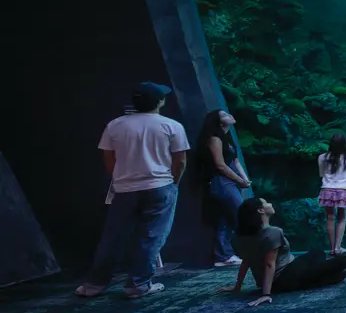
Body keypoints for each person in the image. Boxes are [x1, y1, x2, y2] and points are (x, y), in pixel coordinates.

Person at [75, 82, 190, 300]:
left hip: (125, 188)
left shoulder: (115, 125)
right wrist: (173, 182)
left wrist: (120, 179)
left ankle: (94, 285)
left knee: (113, 237)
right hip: (160, 186)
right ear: (160, 102)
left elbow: (109, 158)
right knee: (151, 237)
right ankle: (137, 284)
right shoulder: (171, 126)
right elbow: (180, 160)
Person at [220, 197, 346, 306]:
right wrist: (266, 294)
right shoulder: (273, 232)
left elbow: (246, 261)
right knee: (343, 260)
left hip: (275, 279)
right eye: (266, 203)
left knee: (318, 253)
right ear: (260, 210)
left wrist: (238, 286)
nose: (270, 204)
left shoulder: (239, 237)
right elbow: (269, 264)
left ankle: (319, 278)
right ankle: (318, 280)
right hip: (286, 277)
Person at [197, 109, 252, 268]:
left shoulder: (225, 138)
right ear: (219, 122)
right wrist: (239, 180)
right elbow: (220, 165)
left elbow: (235, 161)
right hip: (221, 182)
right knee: (240, 215)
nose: (230, 115)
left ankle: (223, 256)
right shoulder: (214, 139)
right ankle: (251, 250)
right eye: (225, 115)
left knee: (226, 219)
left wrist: (244, 179)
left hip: (230, 182)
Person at [318, 134, 346, 255]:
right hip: (342, 191)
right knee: (341, 218)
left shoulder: (322, 157)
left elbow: (321, 174)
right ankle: (338, 247)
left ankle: (332, 248)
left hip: (327, 191)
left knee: (329, 218)